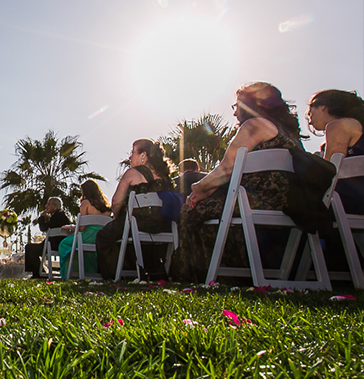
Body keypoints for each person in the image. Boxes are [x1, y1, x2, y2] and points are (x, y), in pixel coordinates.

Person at [175, 82, 306, 283]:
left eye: (236, 106)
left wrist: (198, 188)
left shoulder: (255, 125)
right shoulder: (289, 135)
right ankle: (236, 271)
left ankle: (192, 277)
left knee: (190, 210)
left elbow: (227, 169)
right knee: (214, 208)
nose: (235, 113)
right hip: (290, 202)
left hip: (256, 201)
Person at [95, 138, 175, 280]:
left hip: (136, 223)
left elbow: (116, 202)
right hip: (163, 224)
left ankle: (111, 275)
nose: (130, 157)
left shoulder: (133, 173)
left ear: (143, 155)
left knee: (103, 236)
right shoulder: (165, 176)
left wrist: (117, 216)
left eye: (133, 153)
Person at [307, 89, 364, 214]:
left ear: (323, 106)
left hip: (347, 204)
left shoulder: (339, 126)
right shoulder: (358, 126)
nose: (310, 120)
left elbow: (328, 173)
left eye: (311, 112)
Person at [58, 180, 111, 279]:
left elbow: (82, 228)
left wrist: (70, 227)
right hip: (102, 238)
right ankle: (89, 273)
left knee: (64, 244)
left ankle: (67, 274)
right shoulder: (106, 205)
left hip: (88, 236)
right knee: (83, 250)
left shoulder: (85, 203)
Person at [24, 197, 72, 278]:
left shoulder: (58, 216)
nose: (46, 206)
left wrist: (41, 218)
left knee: (29, 248)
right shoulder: (62, 215)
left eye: (48, 204)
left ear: (55, 207)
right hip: (61, 244)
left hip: (53, 244)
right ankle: (40, 271)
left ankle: (37, 273)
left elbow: (44, 228)